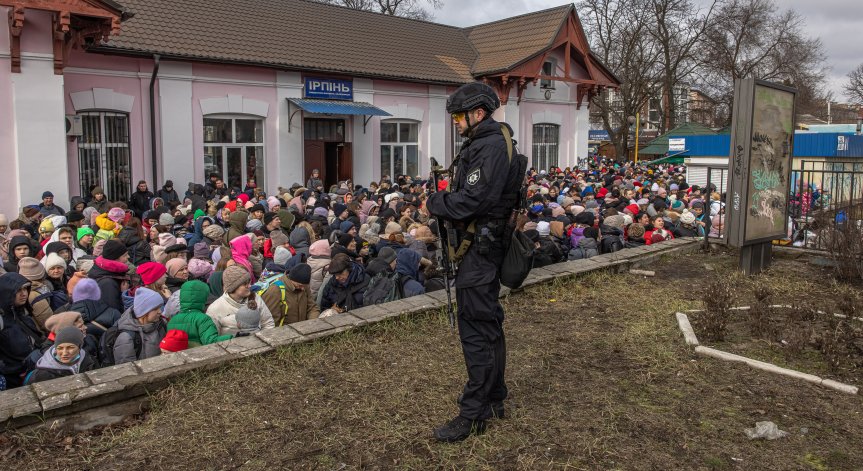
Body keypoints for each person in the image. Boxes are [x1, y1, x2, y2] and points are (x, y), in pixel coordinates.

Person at [424, 82, 519, 442]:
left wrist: (435, 202)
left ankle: (473, 413)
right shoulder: (488, 142)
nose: (456, 123)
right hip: (481, 248)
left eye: (458, 117)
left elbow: (473, 201)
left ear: (478, 113)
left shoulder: (489, 146)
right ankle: (494, 398)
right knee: (488, 326)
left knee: (477, 332)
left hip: (479, 252)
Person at [0, 273, 45, 388]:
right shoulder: (2, 322)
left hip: (33, 370)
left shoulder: (23, 315)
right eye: (18, 290)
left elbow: (37, 341)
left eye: (25, 289)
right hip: (14, 380)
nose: (24, 293)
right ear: (6, 293)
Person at [167, 280, 233, 347]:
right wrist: (232, 337)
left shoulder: (173, 320)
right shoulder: (203, 319)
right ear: (202, 297)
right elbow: (210, 341)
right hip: (199, 352)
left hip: (181, 353)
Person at [113, 287, 167, 364]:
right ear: (144, 311)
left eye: (159, 307)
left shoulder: (161, 324)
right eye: (155, 309)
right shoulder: (126, 338)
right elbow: (127, 369)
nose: (160, 311)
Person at [24, 326, 96, 384]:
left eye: (70, 347)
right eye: (60, 348)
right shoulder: (41, 375)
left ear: (79, 347)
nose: (64, 353)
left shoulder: (89, 360)